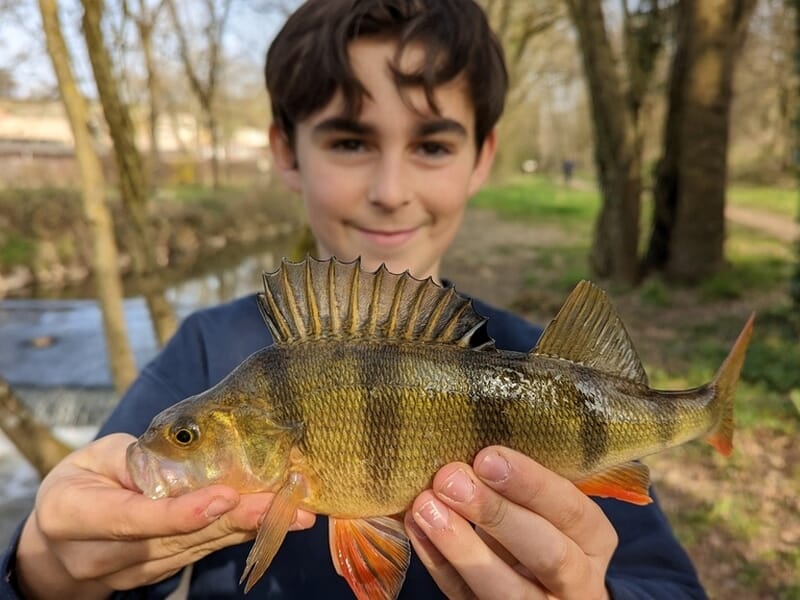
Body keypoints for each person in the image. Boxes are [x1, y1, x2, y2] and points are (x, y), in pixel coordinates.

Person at [1, 1, 708, 598]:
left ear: (483, 157)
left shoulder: (526, 354)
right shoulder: (205, 352)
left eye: (432, 146)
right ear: (286, 151)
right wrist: (43, 569)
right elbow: (98, 553)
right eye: (349, 140)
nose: (391, 190)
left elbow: (665, 582)